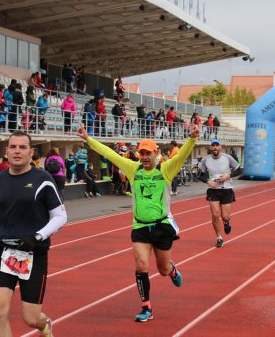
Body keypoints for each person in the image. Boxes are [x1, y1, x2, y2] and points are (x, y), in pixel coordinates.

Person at [76, 122, 200, 322]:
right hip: (140, 226)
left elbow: (183, 154)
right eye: (141, 153)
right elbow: (111, 154)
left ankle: (172, 270)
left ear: (156, 154)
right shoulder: (133, 170)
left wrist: (193, 138)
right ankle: (146, 307)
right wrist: (88, 139)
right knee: (141, 266)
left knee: (163, 270)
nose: (144, 157)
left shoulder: (166, 170)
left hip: (161, 226)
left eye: (148, 153)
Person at [0, 131, 66, 336]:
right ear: (6, 151)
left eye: (22, 147)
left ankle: (44, 325)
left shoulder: (43, 179)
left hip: (33, 253)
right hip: (3, 252)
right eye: (13, 147)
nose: (17, 151)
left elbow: (60, 216)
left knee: (31, 318)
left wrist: (37, 237)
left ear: (31, 152)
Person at [199, 140, 242, 248]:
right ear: (210, 148)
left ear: (220, 147)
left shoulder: (227, 158)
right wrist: (208, 181)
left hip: (226, 189)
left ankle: (226, 222)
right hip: (213, 190)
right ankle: (219, 237)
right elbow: (200, 175)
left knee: (225, 216)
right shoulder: (206, 160)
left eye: (217, 145)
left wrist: (228, 176)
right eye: (213, 146)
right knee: (215, 214)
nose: (215, 147)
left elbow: (239, 170)